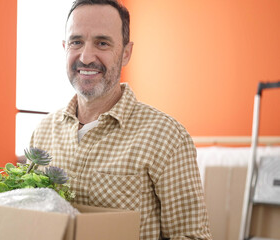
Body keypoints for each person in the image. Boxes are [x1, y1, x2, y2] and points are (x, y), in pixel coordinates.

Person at [30, 0, 212, 239]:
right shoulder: (43, 131)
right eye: (76, 42)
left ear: (126, 53)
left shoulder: (167, 137)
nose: (85, 57)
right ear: (65, 47)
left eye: (102, 43)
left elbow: (192, 236)